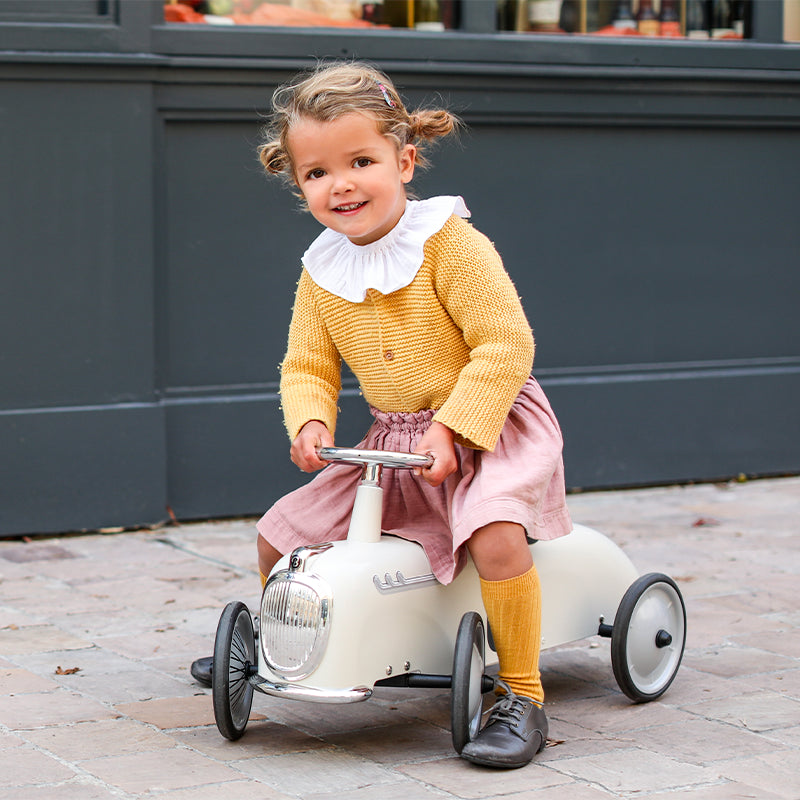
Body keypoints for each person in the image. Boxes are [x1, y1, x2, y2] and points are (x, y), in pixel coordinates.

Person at [191, 61, 572, 769]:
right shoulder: (322, 269)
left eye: (361, 161)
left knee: (494, 535)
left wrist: (455, 425)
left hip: (485, 421)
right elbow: (308, 362)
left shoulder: (450, 245)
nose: (340, 185)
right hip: (391, 440)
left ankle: (522, 692)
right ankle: (283, 638)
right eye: (316, 173)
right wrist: (309, 420)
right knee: (281, 535)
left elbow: (504, 342)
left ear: (404, 159)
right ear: (296, 181)